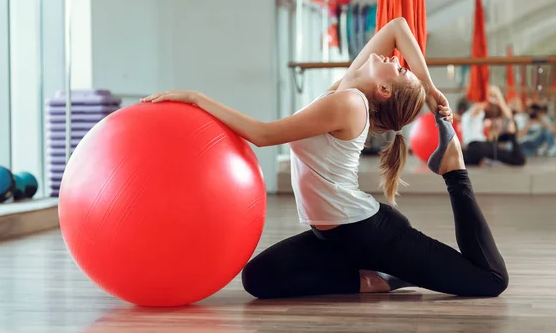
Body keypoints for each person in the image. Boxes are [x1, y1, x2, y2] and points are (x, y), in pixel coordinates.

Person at [141, 17, 508, 298]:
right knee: (258, 278)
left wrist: (196, 99)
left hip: (370, 234)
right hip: (330, 237)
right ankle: (378, 279)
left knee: (489, 280)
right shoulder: (346, 91)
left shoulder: (347, 103)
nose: (394, 59)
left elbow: (263, 135)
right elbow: (397, 27)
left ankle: (454, 170)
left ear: (382, 88)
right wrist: (428, 88)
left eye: (398, 69)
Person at [460, 86, 526, 166]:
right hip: (478, 146)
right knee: (518, 159)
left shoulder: (466, 116)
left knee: (506, 137)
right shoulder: (473, 112)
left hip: (475, 148)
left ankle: (477, 160)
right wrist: (497, 94)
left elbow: (507, 113)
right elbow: (483, 103)